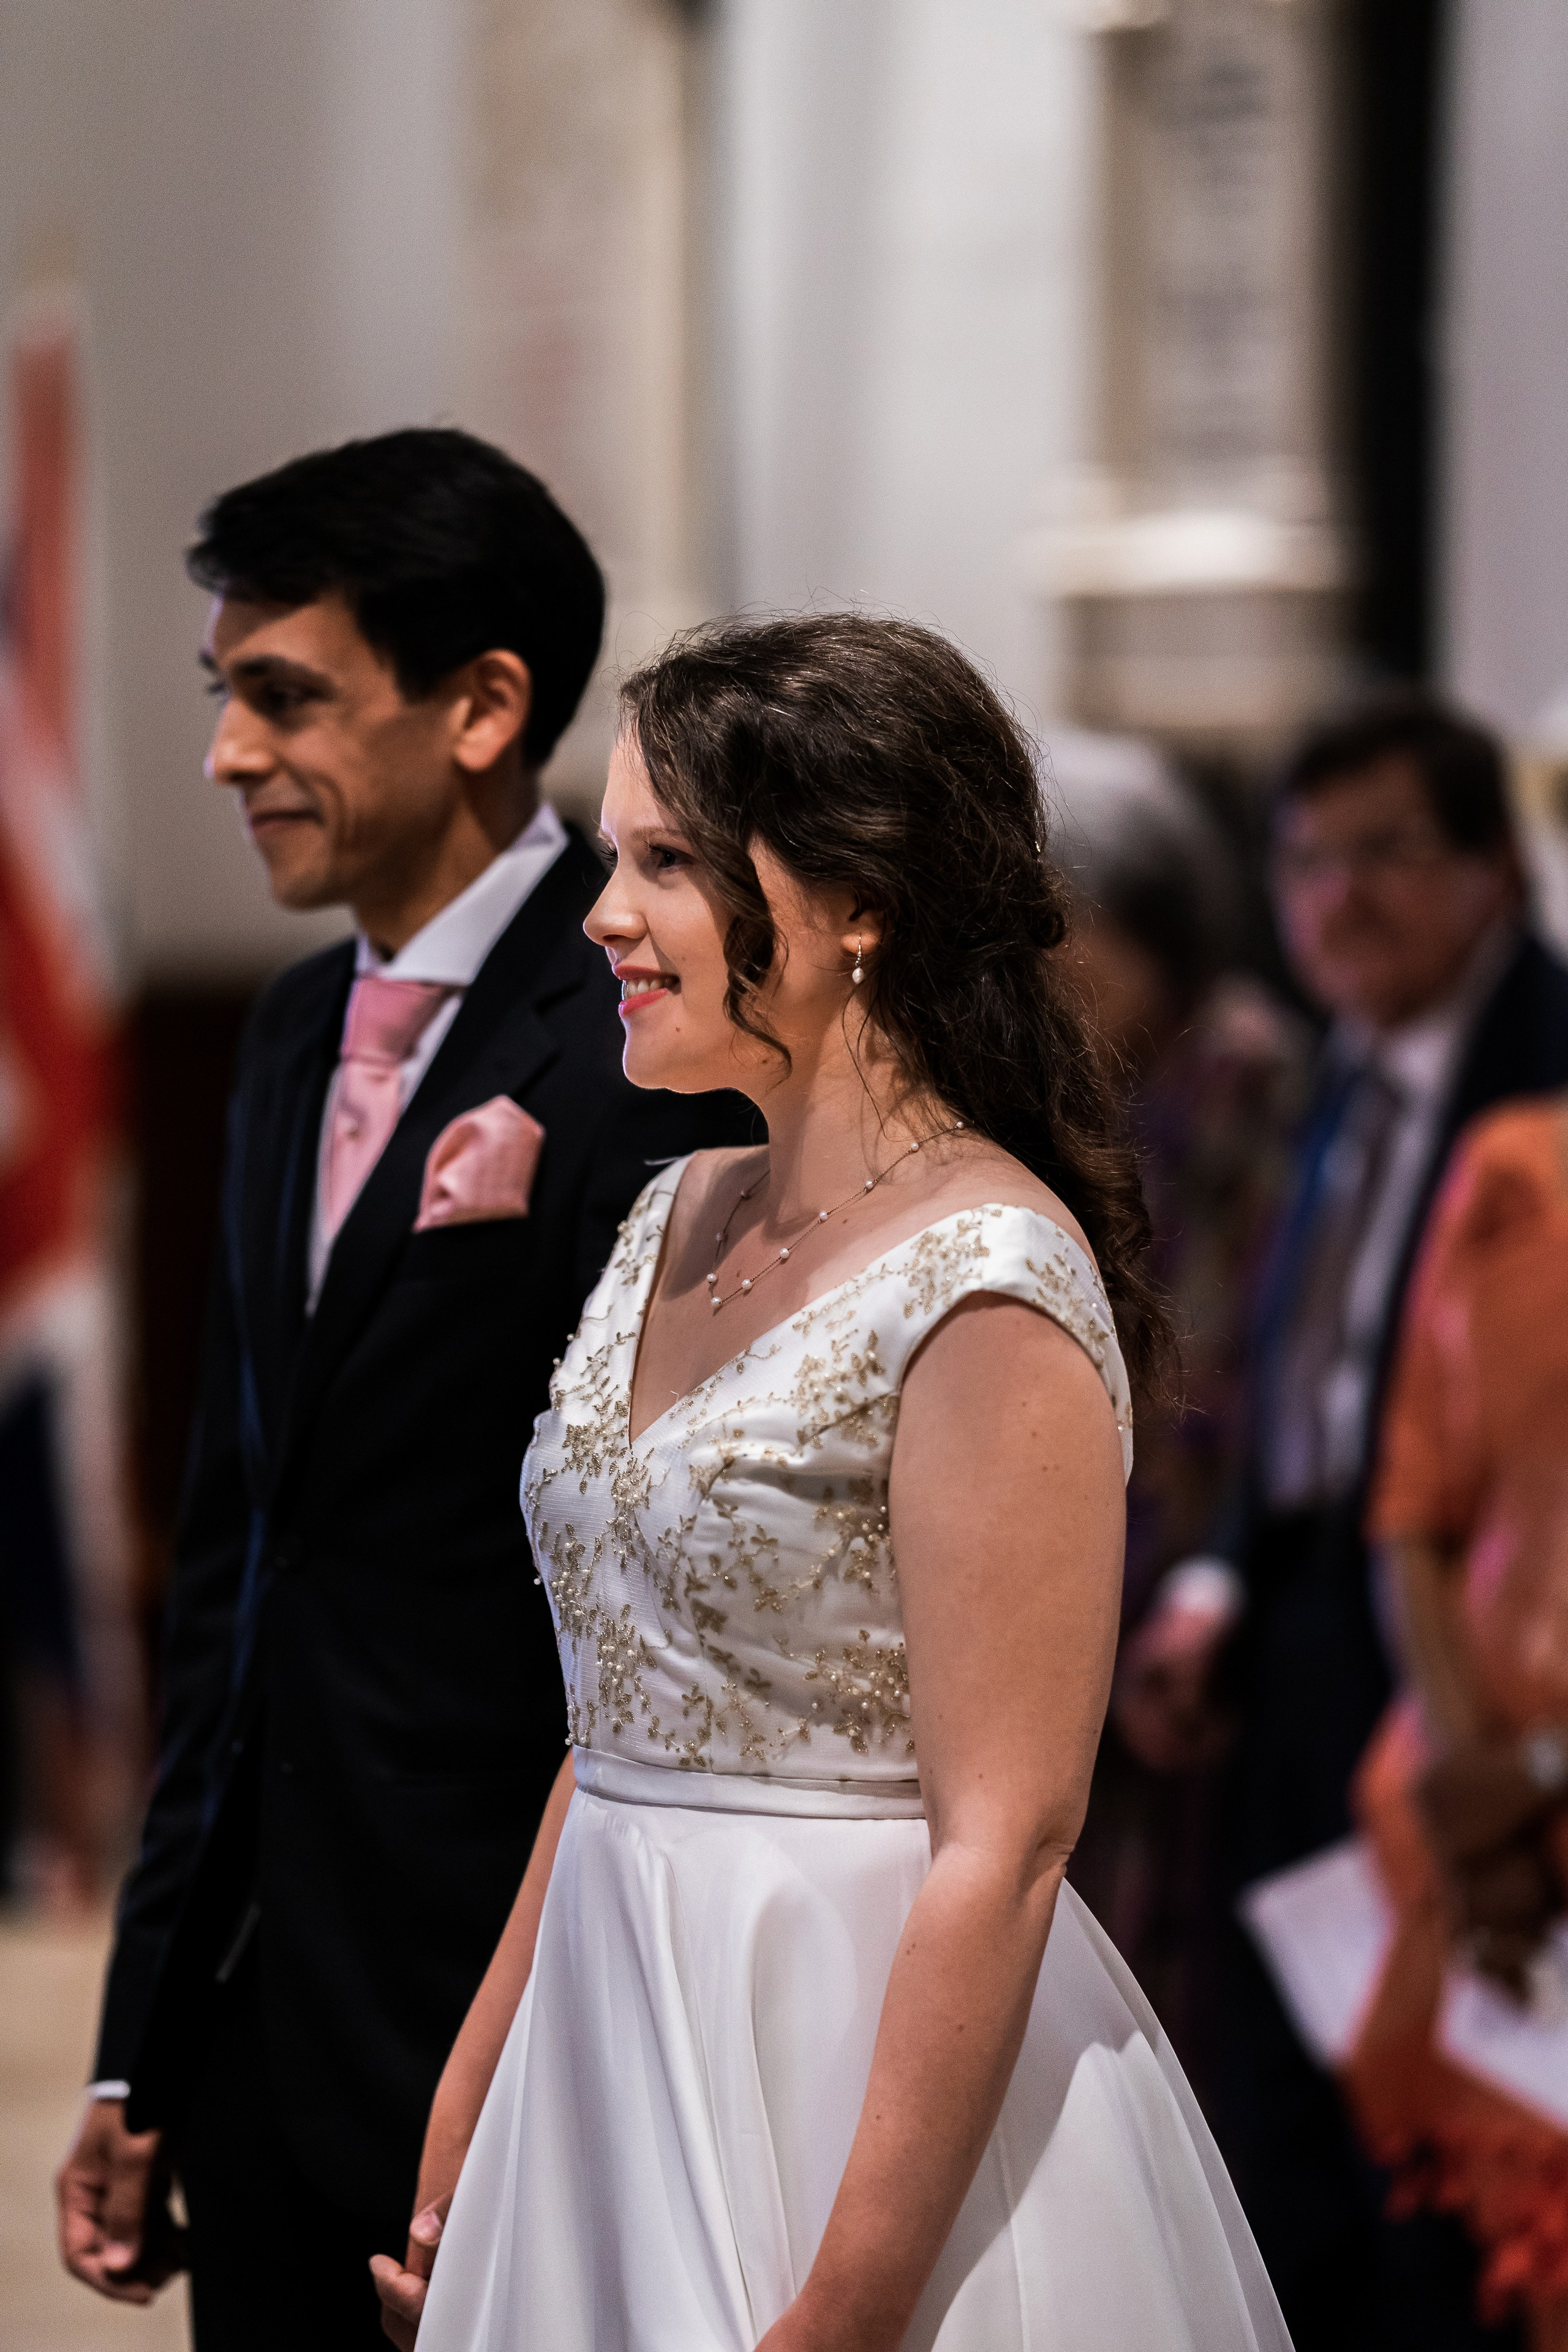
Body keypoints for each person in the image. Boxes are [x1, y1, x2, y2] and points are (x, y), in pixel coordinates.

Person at [371, 612, 1290, 2352]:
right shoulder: (668, 1213)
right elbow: (614, 1721)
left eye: (662, 862)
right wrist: (473, 2108)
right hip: (602, 2019)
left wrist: (850, 2306)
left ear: (853, 900)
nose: (602, 914)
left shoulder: (989, 1274)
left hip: (834, 2063)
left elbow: (1007, 1841)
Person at [53, 428, 750, 2348]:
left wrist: (531, 2040)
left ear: (483, 707)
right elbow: (239, 1568)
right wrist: (142, 2051)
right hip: (266, 2022)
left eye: (284, 697)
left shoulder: (643, 1047)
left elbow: (660, 1596)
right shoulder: (286, 1034)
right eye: (222, 697)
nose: (226, 755)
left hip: (513, 1996)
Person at [1118, 693, 1568, 2349]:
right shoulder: (1342, 1074)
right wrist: (1217, 1591)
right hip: (1306, 1646)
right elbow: (1295, 1397)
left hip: (1485, 1671)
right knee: (1285, 2126)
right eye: (1305, 864)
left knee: (1455, 2161)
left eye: (1387, 854)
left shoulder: (1547, 1083)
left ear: (1493, 870)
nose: (1337, 900)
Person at [1051, 739, 1308, 2087]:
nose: (1035, 976)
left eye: (1061, 933)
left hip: (1187, 1595)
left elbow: (1215, 1367)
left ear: (1146, 918)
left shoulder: (1240, 1074)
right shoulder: (1090, 1093)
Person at [1345, 1091, 1568, 2350]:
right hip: (1461, 1840)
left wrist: (1532, 1774)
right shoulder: (1502, 1169)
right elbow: (1409, 1497)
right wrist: (1469, 1792)